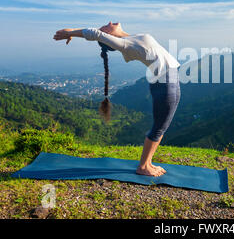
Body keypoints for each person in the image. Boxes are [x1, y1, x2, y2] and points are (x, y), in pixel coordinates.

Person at [53, 22, 181, 177]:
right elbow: (95, 34)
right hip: (165, 82)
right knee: (160, 126)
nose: (109, 23)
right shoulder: (125, 44)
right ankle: (143, 166)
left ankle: (147, 163)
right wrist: (72, 32)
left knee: (161, 125)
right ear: (109, 36)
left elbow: (100, 34)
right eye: (105, 26)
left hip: (168, 79)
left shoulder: (131, 38)